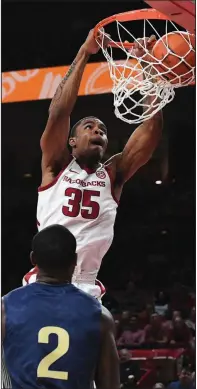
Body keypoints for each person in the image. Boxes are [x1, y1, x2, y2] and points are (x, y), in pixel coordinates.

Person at [23, 29, 163, 299]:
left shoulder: (114, 174)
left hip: (87, 284)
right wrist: (85, 52)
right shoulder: (55, 166)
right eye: (89, 127)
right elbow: (59, 112)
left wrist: (148, 66)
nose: (98, 131)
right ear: (72, 141)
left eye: (103, 129)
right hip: (46, 280)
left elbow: (152, 127)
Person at [2, 225, 120, 389]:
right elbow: (110, 385)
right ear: (75, 260)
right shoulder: (100, 316)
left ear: (33, 259)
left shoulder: (5, 308)